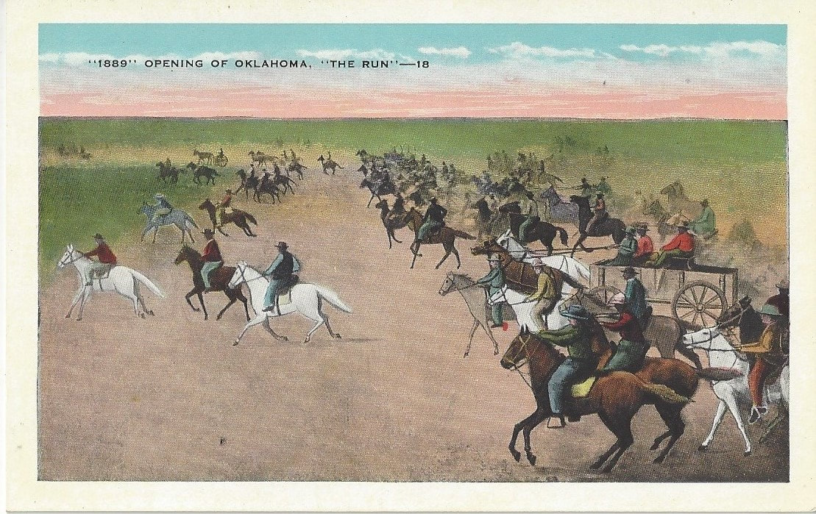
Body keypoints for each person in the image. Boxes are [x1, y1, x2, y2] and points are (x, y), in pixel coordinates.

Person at [537, 305, 598, 429]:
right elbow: (558, 333)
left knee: (554, 383)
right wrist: (541, 332)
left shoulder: (579, 331)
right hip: (573, 360)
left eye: (571, 318)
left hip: (580, 362)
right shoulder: (573, 327)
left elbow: (562, 340)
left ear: (578, 320)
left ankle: (557, 415)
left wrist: (542, 336)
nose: (569, 319)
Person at [737, 303, 786, 424]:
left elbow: (764, 348)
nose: (762, 318)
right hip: (768, 356)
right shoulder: (770, 327)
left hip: (770, 359)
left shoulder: (771, 330)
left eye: (764, 316)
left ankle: (757, 406)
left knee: (753, 378)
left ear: (770, 317)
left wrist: (744, 349)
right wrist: (743, 346)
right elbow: (759, 344)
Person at [599, 293, 649, 373]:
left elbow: (618, 326)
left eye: (616, 305)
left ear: (621, 306)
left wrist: (604, 324)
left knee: (610, 368)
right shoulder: (626, 314)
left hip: (632, 345)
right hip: (627, 343)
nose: (615, 307)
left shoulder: (627, 316)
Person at [262, 242, 301, 314]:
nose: (279, 249)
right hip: (288, 278)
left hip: (279, 278)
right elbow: (297, 266)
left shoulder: (280, 256)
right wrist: (290, 271)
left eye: (279, 248)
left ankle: (268, 305)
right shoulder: (291, 256)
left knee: (271, 287)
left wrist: (266, 273)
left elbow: (273, 266)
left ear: (281, 249)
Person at [525, 258, 564, 329]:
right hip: (546, 298)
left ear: (539, 268)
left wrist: (529, 299)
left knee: (534, 313)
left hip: (547, 300)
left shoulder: (542, 277)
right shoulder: (544, 275)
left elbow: (540, 292)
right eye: (534, 267)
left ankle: (543, 330)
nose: (534, 269)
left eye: (535, 268)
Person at [476, 254, 506, 328]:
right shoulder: (494, 270)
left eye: (492, 262)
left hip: (497, 290)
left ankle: (498, 322)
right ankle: (498, 321)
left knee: (495, 306)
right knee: (495, 305)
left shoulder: (497, 270)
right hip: (493, 289)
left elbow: (489, 278)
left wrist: (480, 281)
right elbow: (490, 279)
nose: (490, 263)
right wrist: (483, 283)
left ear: (496, 262)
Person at [766, 278, 789, 354]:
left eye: (785, 290)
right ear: (779, 290)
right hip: (772, 325)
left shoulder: (791, 301)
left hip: (785, 326)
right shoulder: (772, 300)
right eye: (782, 290)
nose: (783, 292)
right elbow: (766, 312)